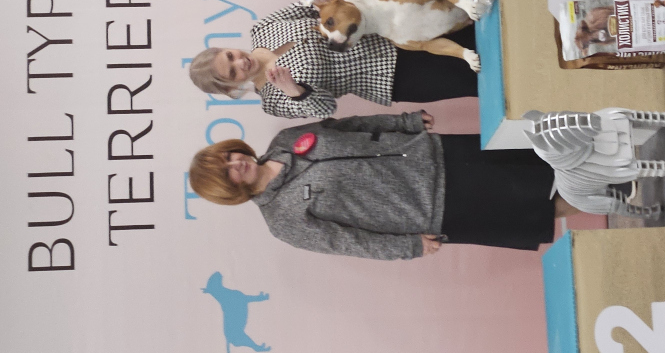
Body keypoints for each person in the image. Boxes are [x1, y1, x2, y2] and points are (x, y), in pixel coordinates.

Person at [188, 111, 580, 260]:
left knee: (539, 154)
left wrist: (403, 123)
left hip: (436, 152)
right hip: (437, 204)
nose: (235, 162)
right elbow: (349, 243)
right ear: (229, 191)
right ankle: (611, 195)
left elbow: (350, 126)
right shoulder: (282, 220)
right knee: (540, 204)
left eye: (228, 156)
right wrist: (408, 247)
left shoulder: (285, 140)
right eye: (227, 172)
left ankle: (608, 155)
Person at [187, 0, 479, 119]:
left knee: (479, 22)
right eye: (233, 72)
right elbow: (326, 109)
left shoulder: (262, 28)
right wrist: (295, 91)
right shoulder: (273, 101)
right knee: (480, 76)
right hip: (398, 77)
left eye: (230, 55)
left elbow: (310, 2)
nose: (240, 62)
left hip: (393, 28)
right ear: (233, 87)